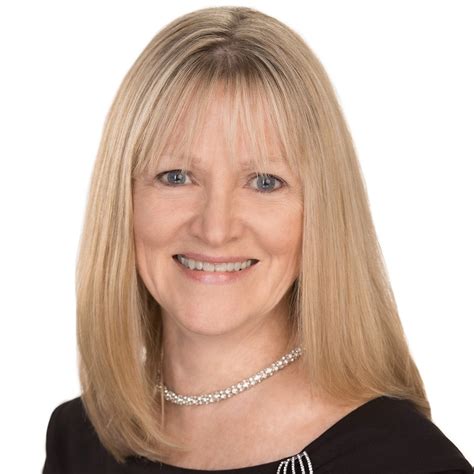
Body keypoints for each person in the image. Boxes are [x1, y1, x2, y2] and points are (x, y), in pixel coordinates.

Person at [42, 6, 472, 473]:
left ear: (321, 212)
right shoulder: (80, 441)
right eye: (176, 176)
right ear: (122, 198)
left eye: (265, 182)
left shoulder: (405, 460)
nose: (215, 228)